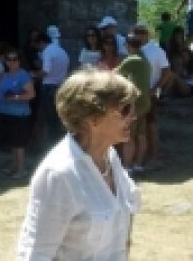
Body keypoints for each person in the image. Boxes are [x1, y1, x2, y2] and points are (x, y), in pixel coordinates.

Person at [17, 70, 139, 259]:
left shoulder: (110, 157)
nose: (133, 116)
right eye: (125, 110)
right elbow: (36, 253)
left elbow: (124, 222)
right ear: (93, 118)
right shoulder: (59, 174)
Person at [133, 23, 171, 167]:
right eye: (137, 32)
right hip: (134, 93)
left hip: (149, 92)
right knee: (138, 126)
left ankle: (153, 155)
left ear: (147, 34)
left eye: (142, 32)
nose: (139, 35)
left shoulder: (156, 50)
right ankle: (140, 155)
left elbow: (166, 71)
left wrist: (155, 89)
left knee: (150, 124)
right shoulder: (132, 48)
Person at [0, 49, 35, 179]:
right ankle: (14, 165)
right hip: (6, 113)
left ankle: (22, 169)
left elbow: (31, 94)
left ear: (19, 61)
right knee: (12, 142)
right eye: (9, 59)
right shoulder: (5, 75)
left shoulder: (23, 75)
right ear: (5, 61)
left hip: (19, 114)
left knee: (19, 143)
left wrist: (15, 97)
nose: (12, 62)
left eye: (15, 59)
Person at [116, 36, 151, 175]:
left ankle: (127, 166)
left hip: (135, 103)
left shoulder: (131, 59)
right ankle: (138, 164)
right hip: (145, 102)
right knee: (141, 134)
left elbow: (114, 74)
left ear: (128, 45)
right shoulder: (144, 58)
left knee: (129, 135)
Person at [37, 31, 70, 144]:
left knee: (49, 119)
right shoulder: (62, 51)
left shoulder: (47, 51)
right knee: (59, 117)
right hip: (61, 86)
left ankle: (51, 143)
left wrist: (35, 75)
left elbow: (46, 70)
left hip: (49, 87)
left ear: (42, 43)